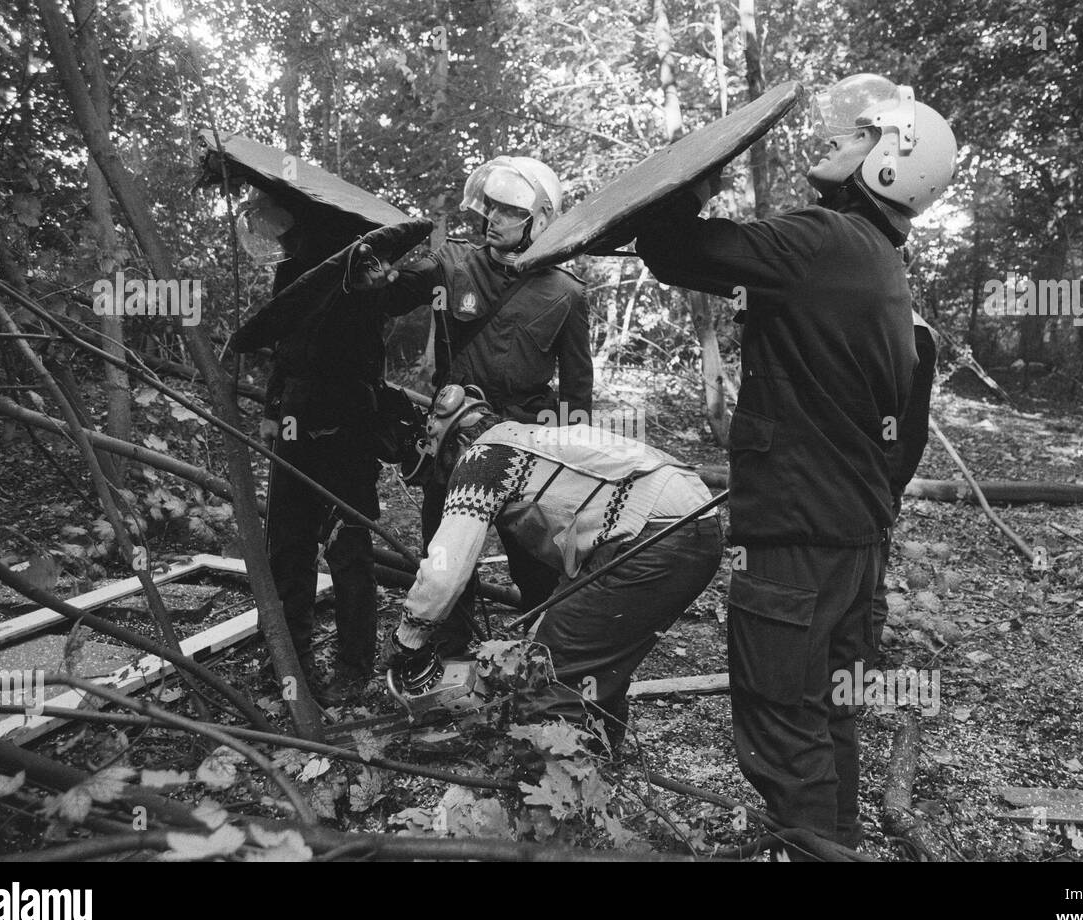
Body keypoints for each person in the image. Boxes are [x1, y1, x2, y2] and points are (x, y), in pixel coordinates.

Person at [633, 74, 957, 854]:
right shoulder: (882, 265)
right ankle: (833, 843)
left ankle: (815, 847)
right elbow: (901, 449)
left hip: (798, 543)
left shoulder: (824, 241)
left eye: (853, 136)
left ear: (890, 161)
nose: (830, 142)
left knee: (781, 723)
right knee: (826, 712)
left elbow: (672, 248)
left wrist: (695, 177)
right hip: (853, 543)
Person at [379, 385, 723, 748]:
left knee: (549, 668)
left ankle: (556, 786)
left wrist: (407, 638)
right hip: (695, 523)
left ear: (451, 444)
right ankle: (602, 754)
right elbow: (584, 546)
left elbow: (444, 572)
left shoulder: (481, 460)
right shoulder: (526, 441)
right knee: (592, 645)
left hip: (658, 533)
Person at [351, 157, 594, 650]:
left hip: (528, 448)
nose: (494, 220)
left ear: (539, 220)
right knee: (444, 560)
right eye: (492, 209)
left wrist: (574, 456)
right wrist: (378, 279)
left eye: (509, 211)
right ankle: (446, 663)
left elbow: (577, 391)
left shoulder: (567, 293)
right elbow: (396, 294)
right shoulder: (454, 264)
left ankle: (539, 665)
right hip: (454, 442)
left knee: (537, 566)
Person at [228, 188, 385, 704]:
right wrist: (273, 413)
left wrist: (374, 284)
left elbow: (367, 358)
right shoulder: (288, 271)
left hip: (347, 425)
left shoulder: (357, 269)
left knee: (348, 546)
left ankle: (354, 664)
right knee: (288, 544)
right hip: (295, 421)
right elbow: (283, 350)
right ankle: (290, 658)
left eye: (286, 230)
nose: (281, 239)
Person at [872, 310, 939, 653]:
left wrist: (890, 482)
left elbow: (911, 426)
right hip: (847, 471)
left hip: (874, 475)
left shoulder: (913, 330)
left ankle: (854, 669)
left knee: (867, 581)